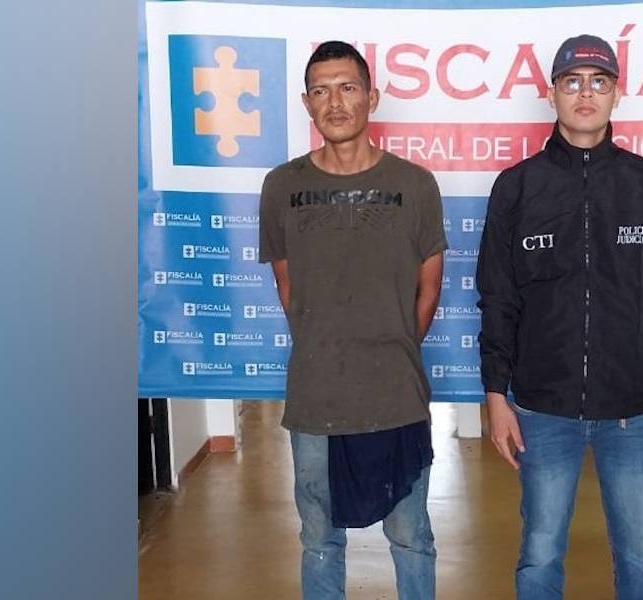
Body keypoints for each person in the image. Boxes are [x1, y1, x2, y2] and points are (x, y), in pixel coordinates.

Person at [475, 34, 643, 600]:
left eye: (599, 82)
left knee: (639, 554)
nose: (585, 94)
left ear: (617, 94)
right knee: (540, 552)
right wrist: (496, 395)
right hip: (543, 408)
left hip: (632, 408)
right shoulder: (517, 188)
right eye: (572, 82)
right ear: (552, 95)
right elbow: (498, 299)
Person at [258, 41, 447, 600]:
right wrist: (329, 349)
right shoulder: (282, 187)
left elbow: (428, 291)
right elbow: (289, 291)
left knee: (411, 537)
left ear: (372, 97)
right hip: (315, 397)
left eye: (347, 88)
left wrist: (388, 348)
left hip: (397, 394)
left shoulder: (415, 185)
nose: (335, 103)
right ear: (306, 103)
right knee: (319, 539)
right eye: (320, 91)